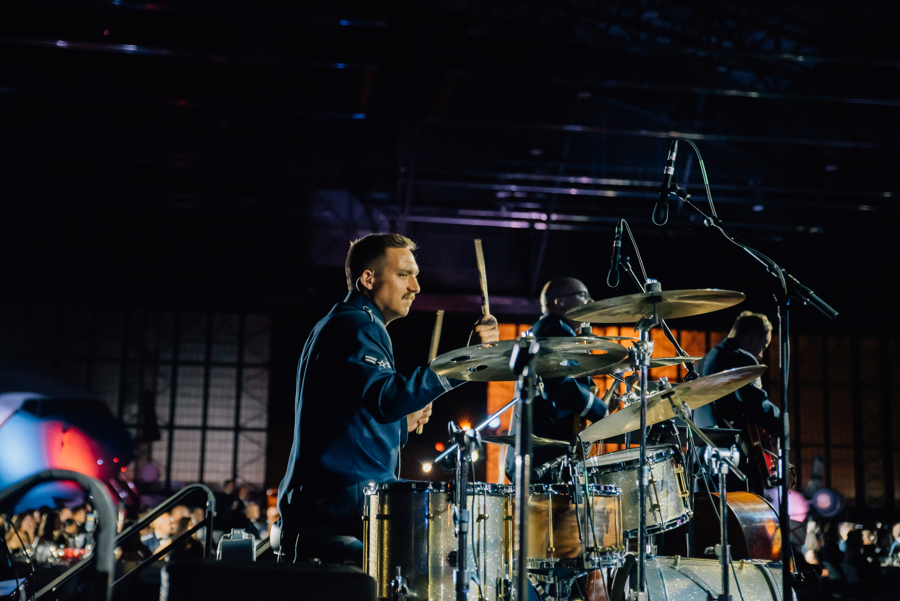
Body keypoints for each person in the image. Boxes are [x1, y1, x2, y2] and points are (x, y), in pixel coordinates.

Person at [276, 233, 498, 563]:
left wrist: (400, 426)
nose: (416, 287)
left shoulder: (338, 322)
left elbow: (350, 419)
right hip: (338, 520)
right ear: (368, 279)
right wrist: (467, 363)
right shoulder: (360, 325)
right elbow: (387, 399)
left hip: (322, 514)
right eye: (404, 274)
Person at [506, 278, 610, 480]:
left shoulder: (543, 328)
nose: (591, 301)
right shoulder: (556, 330)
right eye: (583, 295)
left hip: (534, 452)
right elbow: (558, 387)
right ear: (559, 301)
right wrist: (600, 409)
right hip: (545, 456)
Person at [693, 311, 781, 495]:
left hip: (702, 456)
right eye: (763, 346)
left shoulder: (703, 362)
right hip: (732, 458)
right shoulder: (740, 358)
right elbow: (755, 404)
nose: (761, 355)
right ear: (754, 338)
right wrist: (782, 422)